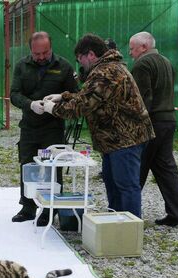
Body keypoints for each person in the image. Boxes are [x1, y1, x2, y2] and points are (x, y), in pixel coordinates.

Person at [43, 33, 155, 218]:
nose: (81, 64)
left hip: (125, 139)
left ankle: (130, 231)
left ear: (91, 55)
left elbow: (82, 106)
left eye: (81, 59)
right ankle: (116, 223)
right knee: (113, 184)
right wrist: (63, 96)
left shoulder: (106, 72)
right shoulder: (105, 68)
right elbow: (90, 95)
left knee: (126, 187)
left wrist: (52, 108)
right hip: (114, 140)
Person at [9, 31, 79, 225]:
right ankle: (28, 206)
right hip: (29, 126)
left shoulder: (64, 66)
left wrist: (58, 100)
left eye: (45, 53)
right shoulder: (22, 66)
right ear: (31, 50)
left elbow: (76, 95)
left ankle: (51, 209)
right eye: (36, 54)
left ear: (51, 48)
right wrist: (30, 104)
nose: (40, 57)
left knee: (52, 167)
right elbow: (14, 94)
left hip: (52, 127)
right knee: (27, 165)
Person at [129, 32, 178, 227]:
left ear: (144, 47)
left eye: (132, 48)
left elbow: (140, 99)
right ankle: (177, 213)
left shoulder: (142, 64)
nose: (130, 53)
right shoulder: (167, 62)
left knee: (136, 168)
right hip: (168, 120)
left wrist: (133, 125)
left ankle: (127, 215)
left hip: (151, 123)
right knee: (166, 169)